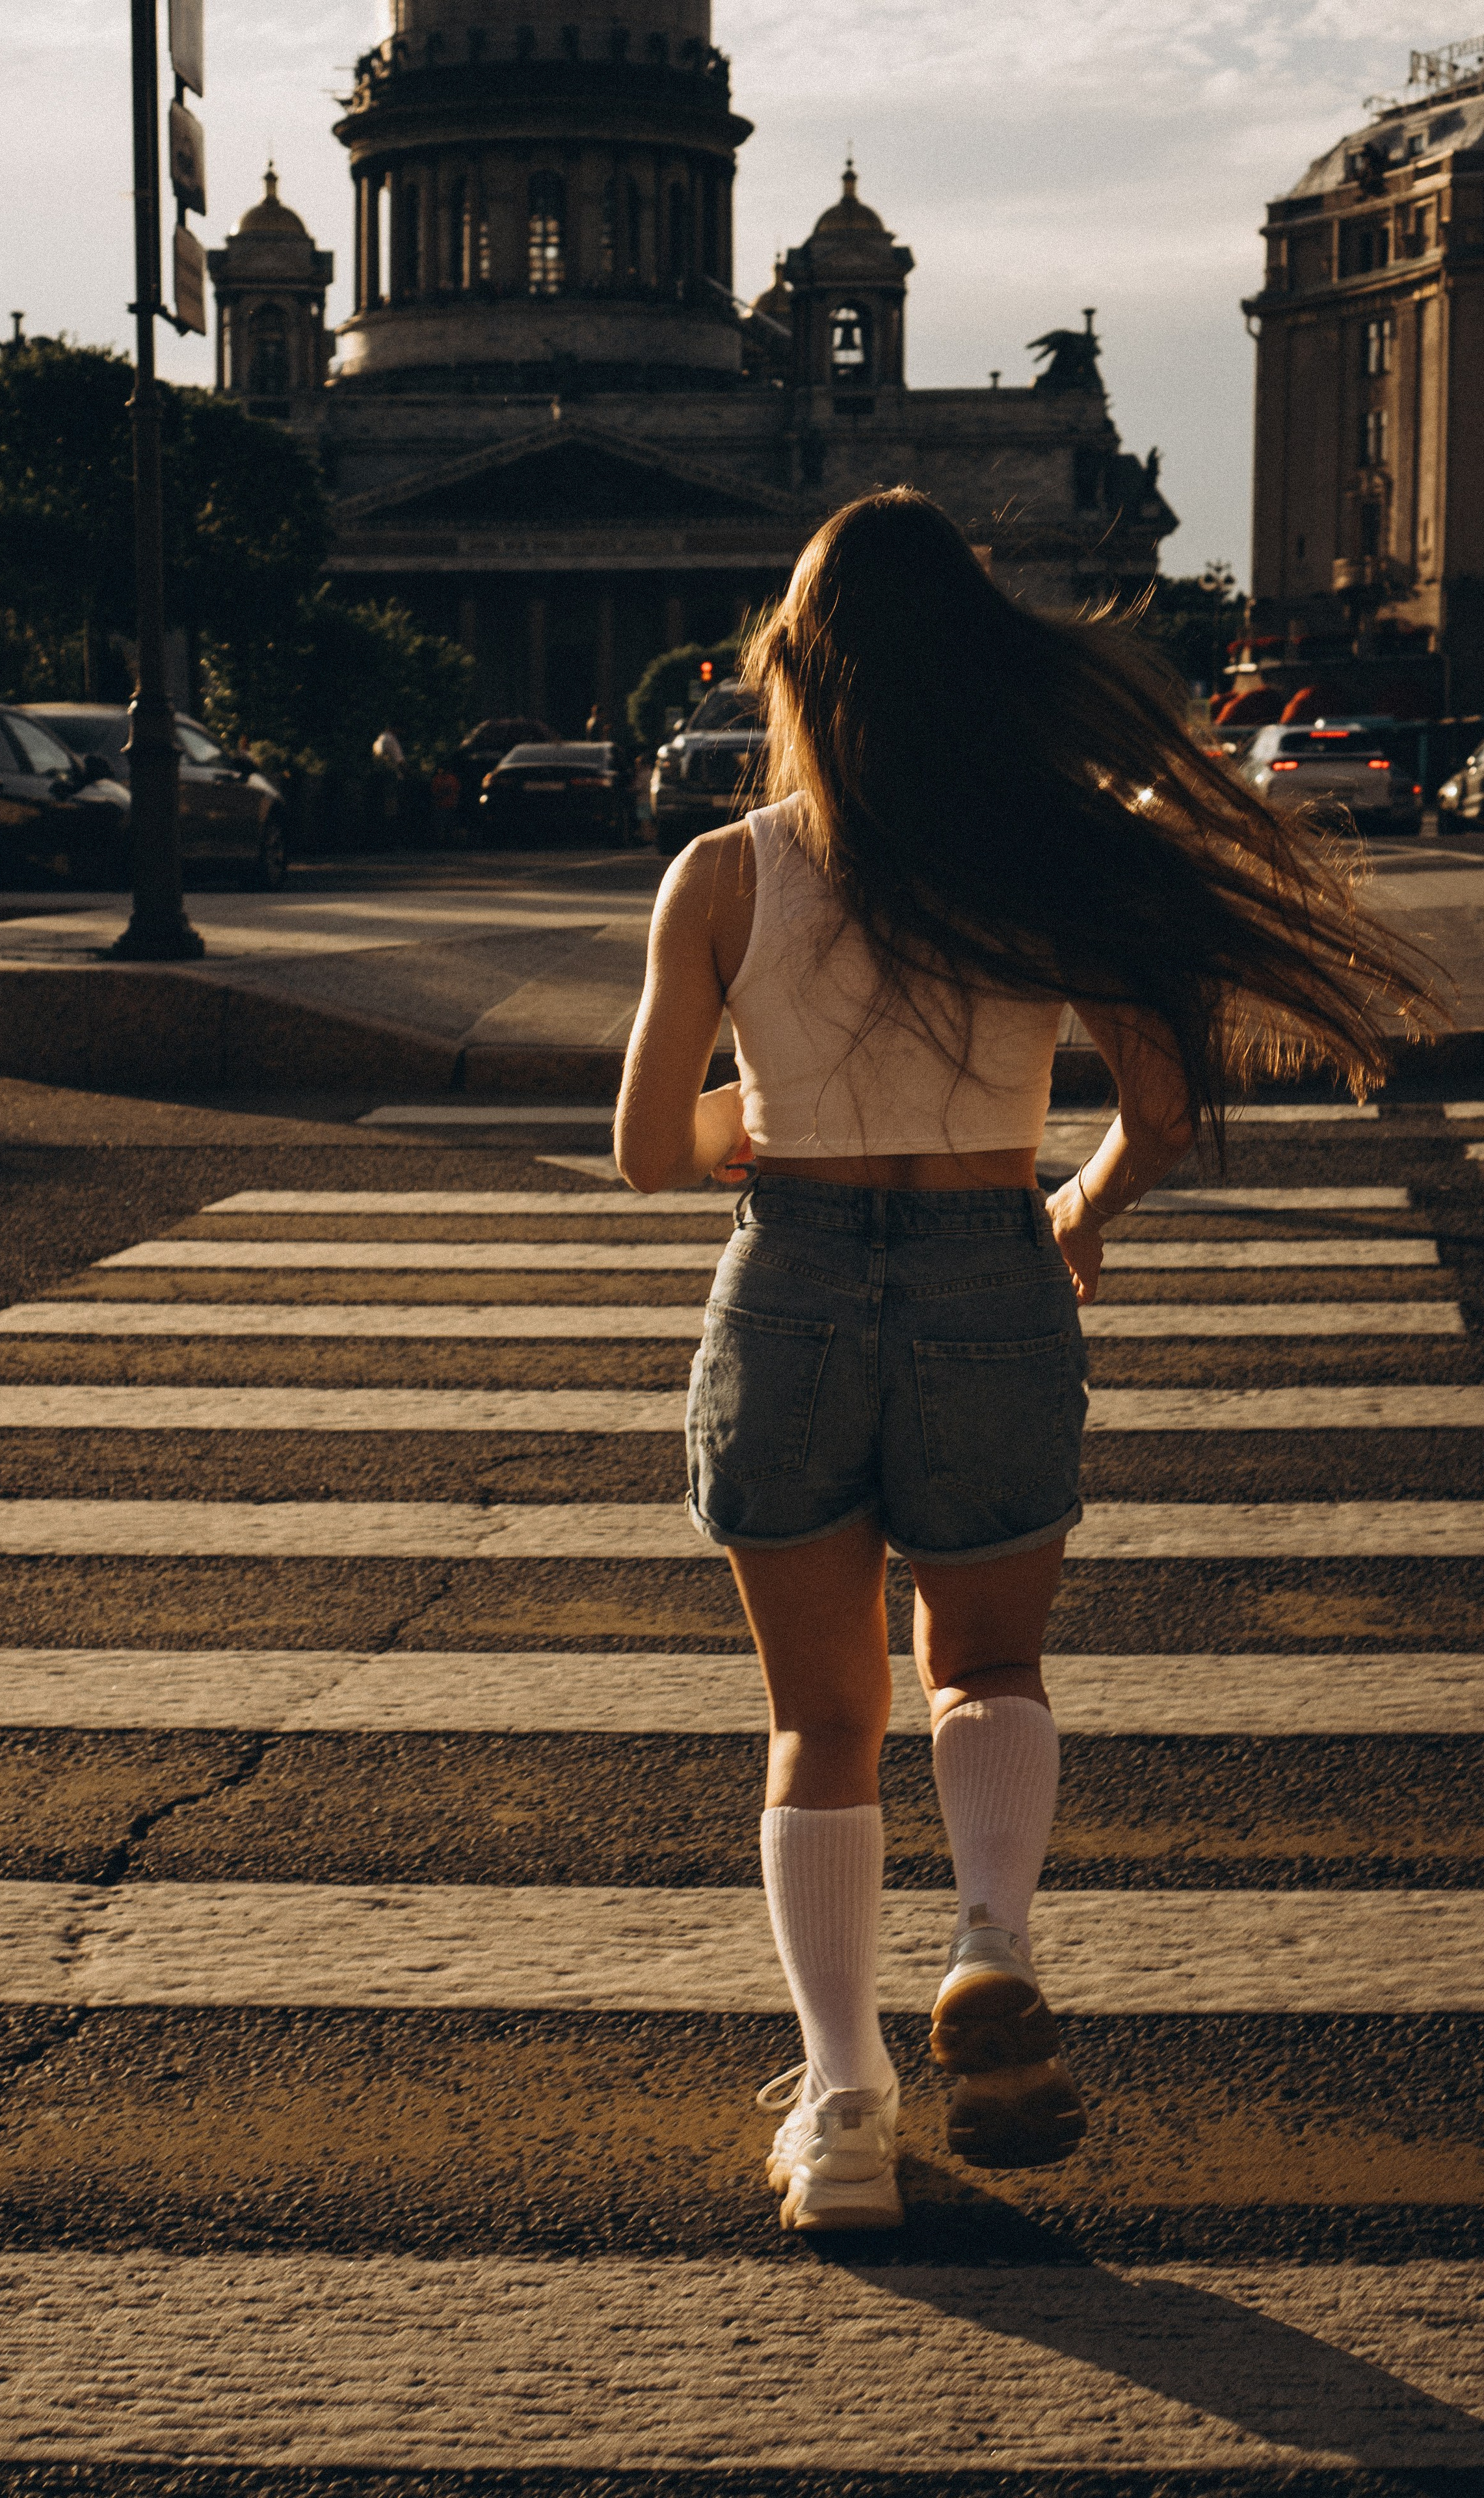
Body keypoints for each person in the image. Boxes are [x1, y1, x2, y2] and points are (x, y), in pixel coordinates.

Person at [614, 489, 1433, 2234]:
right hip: (994, 1260)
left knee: (820, 1721)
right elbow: (1162, 1108)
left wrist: (757, 1112)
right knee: (986, 1664)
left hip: (793, 1278)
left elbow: (642, 1151)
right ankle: (990, 1941)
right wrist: (1074, 1210)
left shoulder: (725, 870)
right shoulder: (1047, 854)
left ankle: (843, 2110)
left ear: (793, 668)